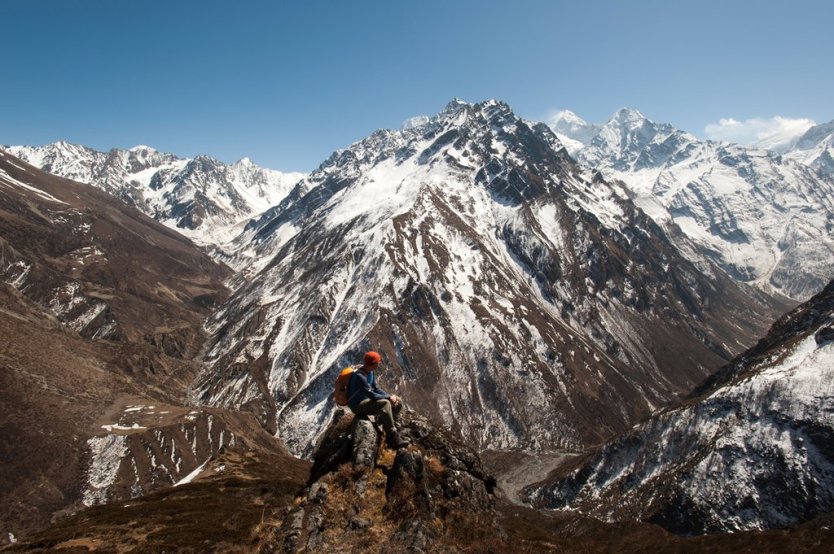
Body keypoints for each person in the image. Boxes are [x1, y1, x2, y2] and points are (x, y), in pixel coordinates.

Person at [347, 351, 409, 449]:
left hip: (365, 400)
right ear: (373, 364)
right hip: (357, 405)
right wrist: (388, 398)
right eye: (378, 362)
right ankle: (392, 437)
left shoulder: (369, 372)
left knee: (398, 401)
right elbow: (372, 395)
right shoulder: (360, 377)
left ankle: (389, 424)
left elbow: (375, 388)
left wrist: (390, 396)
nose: (379, 364)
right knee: (385, 403)